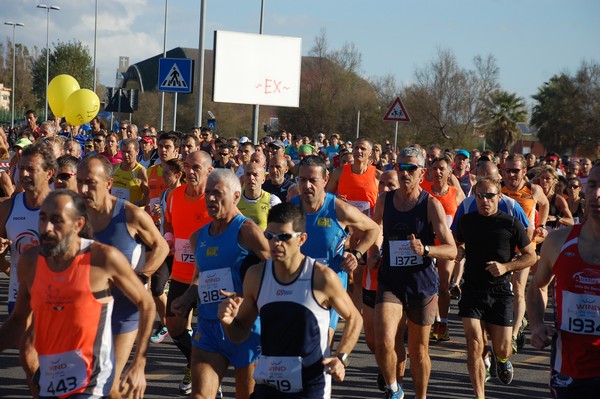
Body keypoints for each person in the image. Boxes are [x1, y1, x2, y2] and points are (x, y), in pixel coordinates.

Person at [0, 190, 155, 399]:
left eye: (56, 221)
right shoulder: (30, 262)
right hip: (51, 378)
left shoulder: (103, 258)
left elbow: (146, 304)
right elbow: (18, 320)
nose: (46, 228)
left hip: (93, 380)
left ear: (78, 224)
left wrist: (139, 364)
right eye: (43, 218)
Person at [218, 202, 363, 398]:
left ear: (302, 239)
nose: (276, 243)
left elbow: (355, 318)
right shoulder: (256, 276)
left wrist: (341, 357)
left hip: (311, 386)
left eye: (284, 237)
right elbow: (239, 333)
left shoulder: (321, 277)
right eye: (270, 236)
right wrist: (228, 321)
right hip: (268, 383)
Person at [172, 169, 270, 399]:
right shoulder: (199, 236)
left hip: (245, 328)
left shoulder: (247, 231)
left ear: (236, 196)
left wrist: (245, 296)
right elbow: (200, 276)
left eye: (217, 193)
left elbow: (276, 271)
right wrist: (186, 298)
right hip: (209, 327)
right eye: (207, 193)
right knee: (199, 396)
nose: (210, 198)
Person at [76, 154, 169, 397]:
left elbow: (162, 247)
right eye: (80, 181)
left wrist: (144, 276)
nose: (84, 189)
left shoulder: (130, 215)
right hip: (88, 311)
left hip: (125, 311)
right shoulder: (73, 216)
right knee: (100, 386)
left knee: (108, 382)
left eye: (91, 183)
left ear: (108, 184)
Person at [372, 147, 457, 399]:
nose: (405, 173)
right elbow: (376, 227)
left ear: (422, 173)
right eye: (401, 167)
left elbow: (451, 249)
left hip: (421, 284)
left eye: (411, 169)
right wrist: (375, 249)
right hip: (391, 281)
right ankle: (394, 389)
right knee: (385, 341)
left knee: (418, 350)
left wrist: (426, 249)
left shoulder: (430, 204)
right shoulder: (385, 200)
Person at [455, 177, 536, 397]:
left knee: (503, 347)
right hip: (472, 289)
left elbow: (531, 257)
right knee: (474, 344)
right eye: (480, 196)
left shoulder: (510, 223)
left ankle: (501, 359)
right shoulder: (467, 221)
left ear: (499, 197)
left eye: (490, 195)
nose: (484, 200)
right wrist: (459, 250)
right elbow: (457, 241)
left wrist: (506, 266)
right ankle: (479, 395)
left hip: (500, 292)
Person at [527, 163, 600, 399]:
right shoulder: (558, 242)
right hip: (568, 369)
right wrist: (537, 324)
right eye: (594, 186)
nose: (597, 194)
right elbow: (537, 285)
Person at [291, 155, 379, 345]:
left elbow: (373, 229)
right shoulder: (291, 208)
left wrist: (356, 254)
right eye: (302, 180)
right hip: (297, 283)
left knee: (322, 343)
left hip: (330, 286)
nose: (307, 186)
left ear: (325, 179)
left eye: (313, 180)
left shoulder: (338, 209)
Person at [162, 150, 214, 395]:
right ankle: (195, 361)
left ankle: (207, 379)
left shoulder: (215, 200)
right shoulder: (174, 195)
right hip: (181, 272)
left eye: (196, 167)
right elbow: (168, 220)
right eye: (187, 166)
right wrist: (169, 236)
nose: (190, 172)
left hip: (207, 275)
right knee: (173, 325)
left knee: (206, 332)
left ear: (209, 172)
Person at [502, 154, 549, 353]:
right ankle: (513, 324)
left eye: (516, 170)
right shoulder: (498, 189)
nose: (512, 174)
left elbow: (545, 204)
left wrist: (542, 225)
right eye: (508, 170)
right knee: (504, 292)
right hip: (502, 247)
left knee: (518, 288)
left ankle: (513, 334)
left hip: (525, 248)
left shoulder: (533, 190)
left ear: (523, 171)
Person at [424, 155, 465, 341]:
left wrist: (461, 242)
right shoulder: (424, 191)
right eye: (435, 169)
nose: (438, 172)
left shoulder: (455, 193)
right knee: (425, 284)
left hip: (447, 246)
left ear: (449, 172)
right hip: (426, 243)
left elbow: (464, 216)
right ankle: (428, 320)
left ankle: (443, 323)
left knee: (443, 285)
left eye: (442, 169)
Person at [149, 157, 185, 345]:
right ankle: (165, 325)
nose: (163, 177)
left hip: (183, 251)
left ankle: (186, 331)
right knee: (156, 288)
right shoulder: (164, 195)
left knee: (182, 300)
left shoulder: (186, 194)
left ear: (178, 175)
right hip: (167, 248)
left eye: (167, 174)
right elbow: (166, 221)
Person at [238, 162, 282, 230]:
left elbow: (280, 228)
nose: (251, 178)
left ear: (263, 179)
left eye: (255, 175)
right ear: (243, 177)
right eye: (248, 174)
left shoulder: (272, 201)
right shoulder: (235, 200)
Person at [111, 138, 149, 207]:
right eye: (123, 151)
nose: (126, 155)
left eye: (129, 152)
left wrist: (138, 204)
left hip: (132, 214)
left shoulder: (141, 171)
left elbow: (148, 195)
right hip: (115, 211)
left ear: (137, 151)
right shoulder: (114, 168)